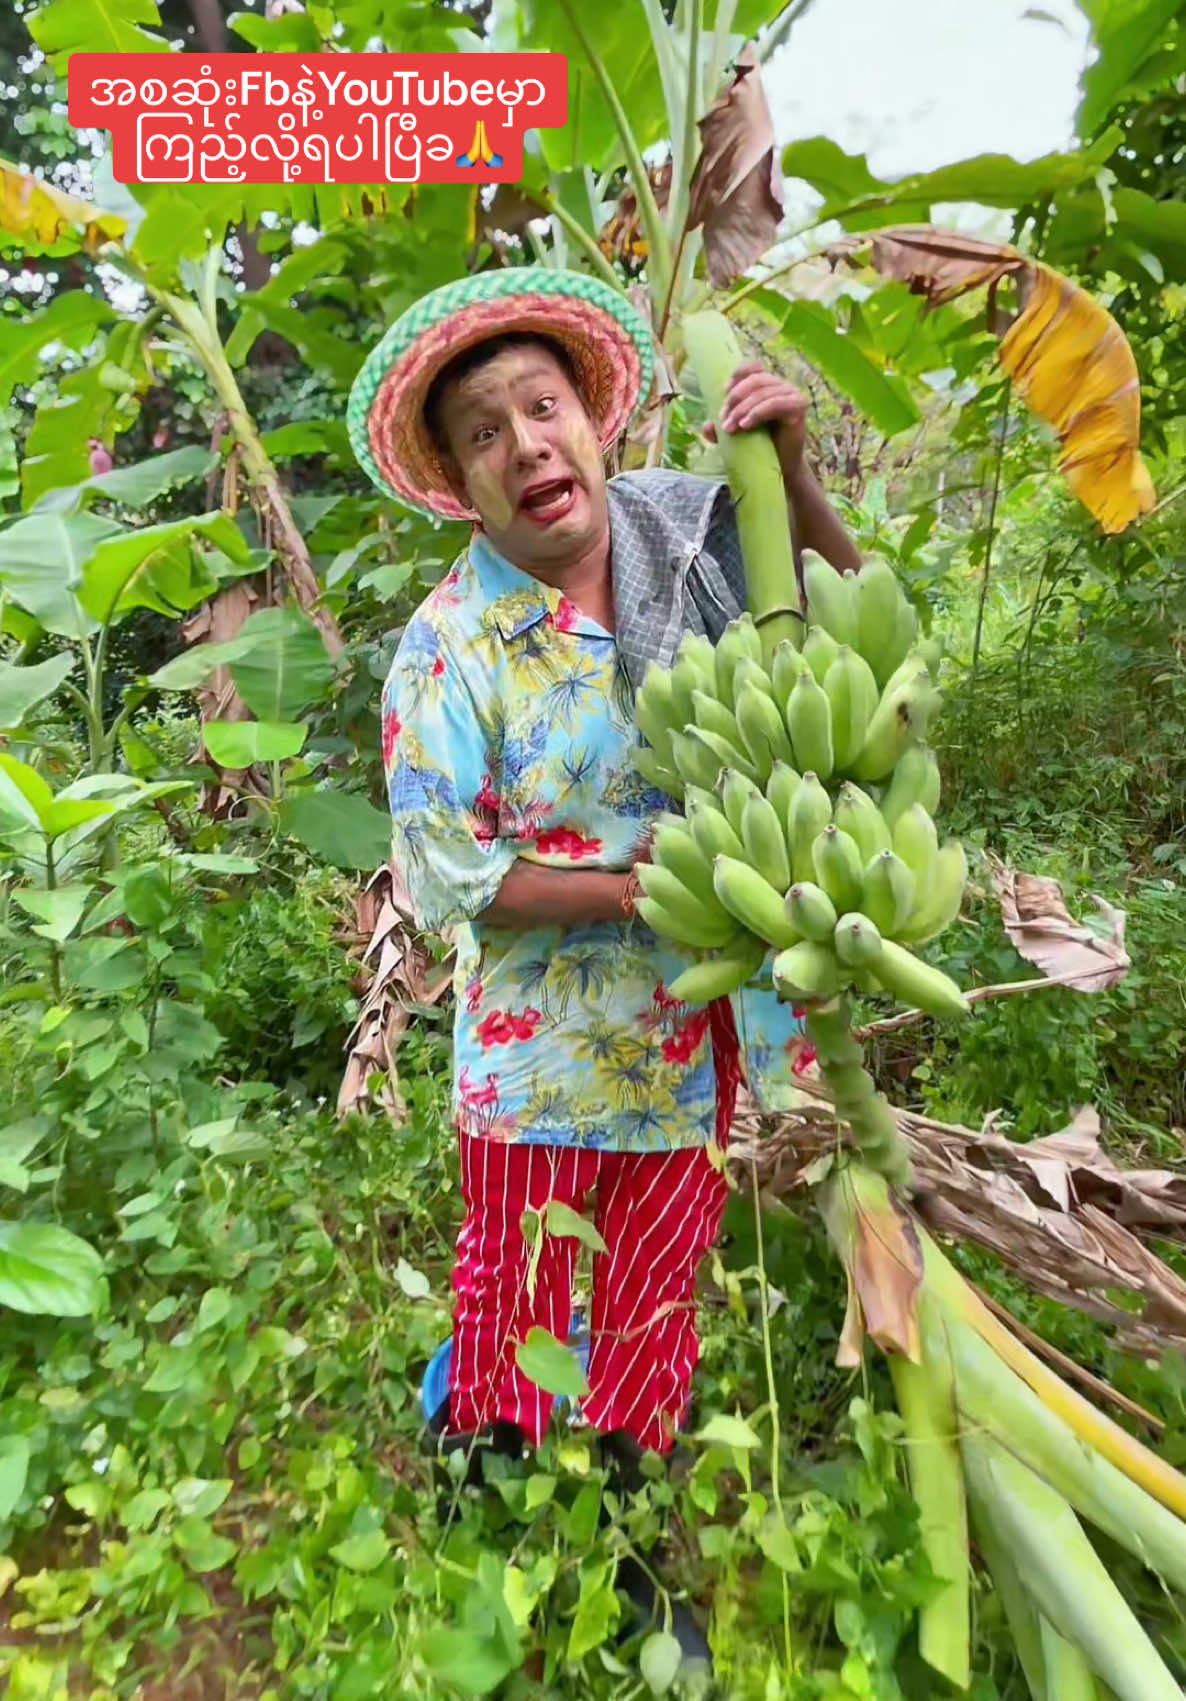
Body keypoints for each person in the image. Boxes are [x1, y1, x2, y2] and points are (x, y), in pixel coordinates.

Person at [345, 267, 858, 1644]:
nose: (525, 443)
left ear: (590, 421)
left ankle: (627, 1556)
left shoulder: (691, 535)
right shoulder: (452, 647)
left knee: (642, 1306)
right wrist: (641, 890)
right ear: (458, 478)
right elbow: (445, 867)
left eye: (542, 405)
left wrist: (792, 475)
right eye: (483, 430)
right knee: (516, 1294)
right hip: (546, 1053)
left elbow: (849, 623)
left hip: (695, 1036)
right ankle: (498, 1506)